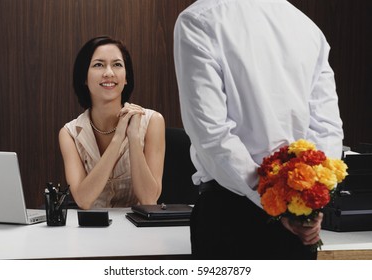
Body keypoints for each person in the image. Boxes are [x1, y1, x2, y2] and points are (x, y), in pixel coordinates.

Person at [173, 0, 344, 259]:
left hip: (230, 217)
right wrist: (305, 206)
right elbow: (328, 129)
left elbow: (212, 135)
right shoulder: (308, 28)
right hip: (297, 223)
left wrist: (278, 203)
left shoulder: (198, 20)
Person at [59, 36, 165, 209]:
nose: (109, 73)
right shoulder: (70, 133)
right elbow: (83, 200)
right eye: (98, 65)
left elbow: (148, 199)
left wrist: (133, 138)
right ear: (84, 77)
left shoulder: (153, 121)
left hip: (138, 229)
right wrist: (117, 138)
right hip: (91, 230)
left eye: (117, 64)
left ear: (126, 78)